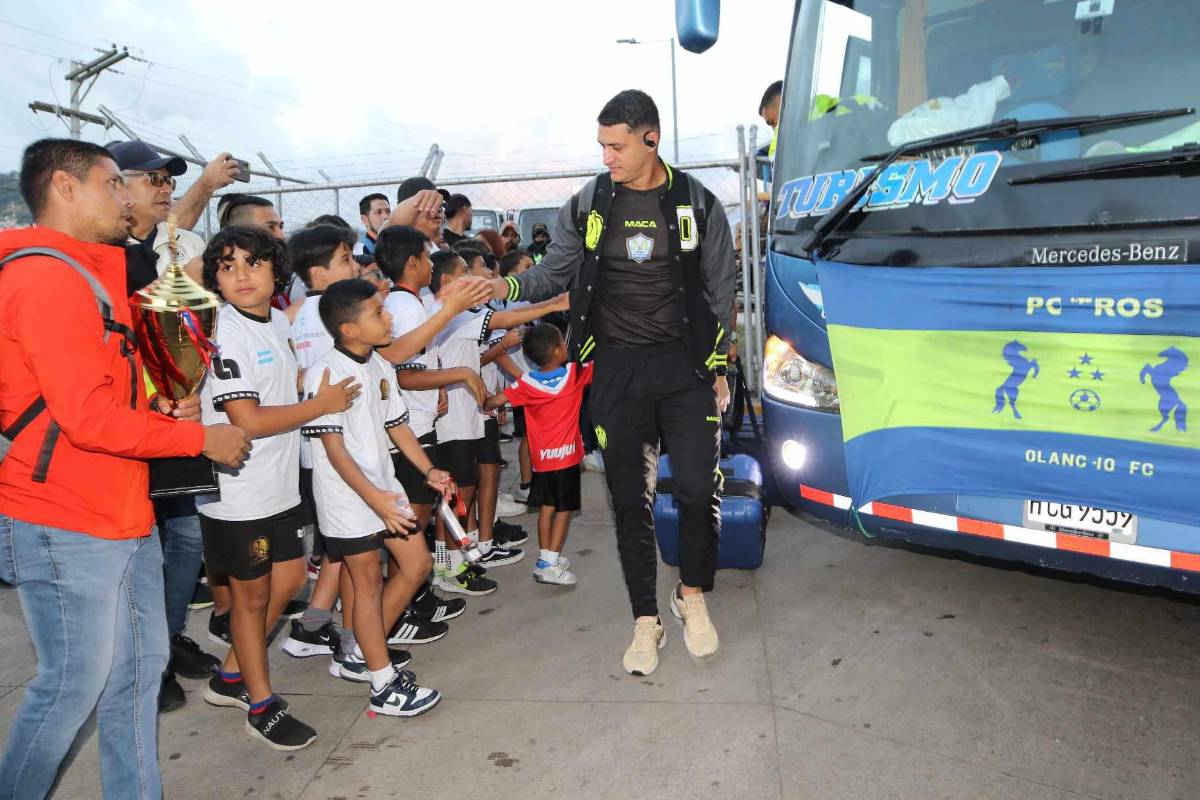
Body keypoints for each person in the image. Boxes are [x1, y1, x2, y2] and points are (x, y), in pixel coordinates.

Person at [0, 138, 250, 799]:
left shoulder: (88, 273)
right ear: (66, 187)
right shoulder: (46, 277)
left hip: (122, 507)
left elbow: (102, 394)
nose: (127, 197)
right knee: (71, 686)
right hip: (66, 517)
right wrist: (195, 438)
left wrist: (162, 403)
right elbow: (84, 419)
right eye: (115, 184)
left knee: (137, 676)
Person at [489, 90, 736, 677]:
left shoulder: (697, 203)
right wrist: (507, 289)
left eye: (616, 145)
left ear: (651, 138)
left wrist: (721, 366)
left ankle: (691, 596)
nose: (607, 157)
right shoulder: (590, 203)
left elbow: (722, 288)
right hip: (617, 370)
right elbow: (556, 271)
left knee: (699, 491)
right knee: (631, 502)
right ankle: (645, 620)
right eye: (602, 145)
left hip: (685, 368)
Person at [196, 225, 360, 751]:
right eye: (227, 266)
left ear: (276, 270)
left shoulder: (276, 324)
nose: (240, 275)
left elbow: (280, 389)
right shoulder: (223, 330)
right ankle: (260, 703)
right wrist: (320, 406)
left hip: (279, 486)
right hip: (236, 493)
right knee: (252, 598)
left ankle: (228, 677)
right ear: (214, 278)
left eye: (253, 262)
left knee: (289, 579)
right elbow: (245, 419)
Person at [106, 139, 222, 711]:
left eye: (167, 180)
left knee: (186, 538)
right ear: (113, 186)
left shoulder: (170, 246)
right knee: (141, 549)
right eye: (150, 178)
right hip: (122, 429)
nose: (163, 187)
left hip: (175, 417)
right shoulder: (98, 253)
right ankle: (142, 661)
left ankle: (167, 637)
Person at [304, 278, 451, 716]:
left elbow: (398, 426)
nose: (388, 319)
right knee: (366, 585)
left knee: (417, 564)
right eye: (378, 314)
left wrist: (428, 470)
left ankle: (363, 654)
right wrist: (376, 499)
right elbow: (334, 450)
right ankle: (383, 684)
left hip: (385, 490)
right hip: (349, 499)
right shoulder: (325, 375)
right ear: (349, 329)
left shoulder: (379, 365)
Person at [428, 251, 567, 594]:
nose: (480, 279)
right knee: (456, 495)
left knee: (465, 489)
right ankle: (448, 565)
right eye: (467, 273)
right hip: (453, 421)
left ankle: (460, 558)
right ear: (447, 283)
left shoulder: (455, 317)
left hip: (467, 415)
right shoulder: (452, 318)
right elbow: (503, 324)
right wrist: (551, 305)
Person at [485, 323, 591, 586]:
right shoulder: (574, 375)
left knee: (546, 508)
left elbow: (495, 402)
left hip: (542, 462)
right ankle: (551, 563)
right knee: (564, 511)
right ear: (557, 351)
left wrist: (486, 398)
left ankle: (546, 557)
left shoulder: (526, 383)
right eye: (563, 344)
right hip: (567, 459)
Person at [356, 193, 390, 258]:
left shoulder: (394, 243)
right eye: (379, 212)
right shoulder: (361, 248)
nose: (386, 216)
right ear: (365, 220)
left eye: (388, 211)